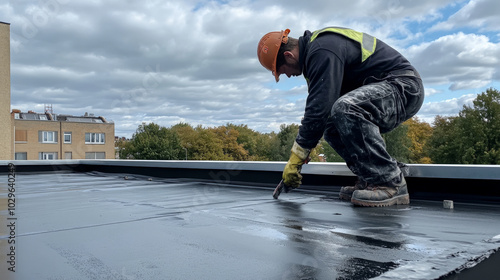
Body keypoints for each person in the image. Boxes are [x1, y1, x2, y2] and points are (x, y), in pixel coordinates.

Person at [257, 27, 424, 207]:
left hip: (403, 88)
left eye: (283, 71)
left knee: (346, 109)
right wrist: (304, 148)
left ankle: (390, 181)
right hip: (385, 93)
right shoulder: (316, 57)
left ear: (289, 55)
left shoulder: (322, 50)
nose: (287, 75)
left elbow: (318, 108)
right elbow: (320, 114)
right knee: (331, 125)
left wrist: (296, 158)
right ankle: (371, 178)